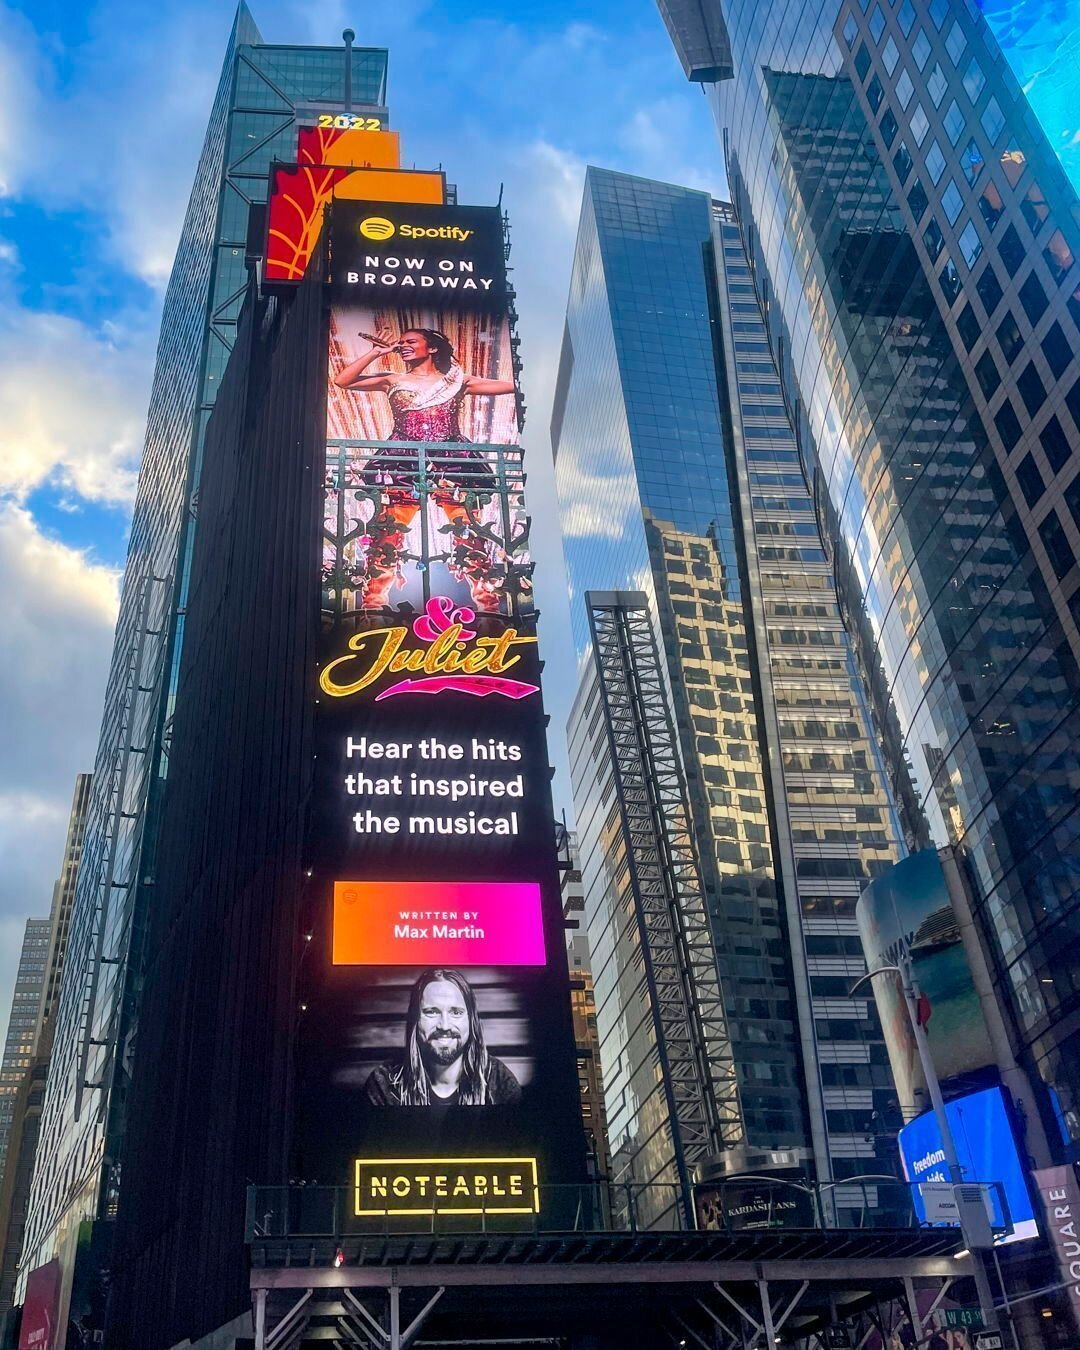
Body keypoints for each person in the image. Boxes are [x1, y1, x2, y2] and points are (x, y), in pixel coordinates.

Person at [333, 327, 517, 610]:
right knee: (387, 536)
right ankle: (372, 606)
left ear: (431, 348)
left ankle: (488, 607)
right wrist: (376, 352)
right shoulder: (392, 379)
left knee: (468, 535)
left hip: (452, 463)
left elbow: (512, 385)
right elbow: (342, 380)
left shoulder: (457, 381)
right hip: (402, 462)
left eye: (411, 342)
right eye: (401, 342)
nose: (403, 346)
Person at [364, 967, 522, 1107]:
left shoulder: (500, 1082)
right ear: (414, 1019)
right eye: (431, 1011)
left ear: (471, 1021)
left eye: (456, 1012)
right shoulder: (383, 1084)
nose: (444, 1026)